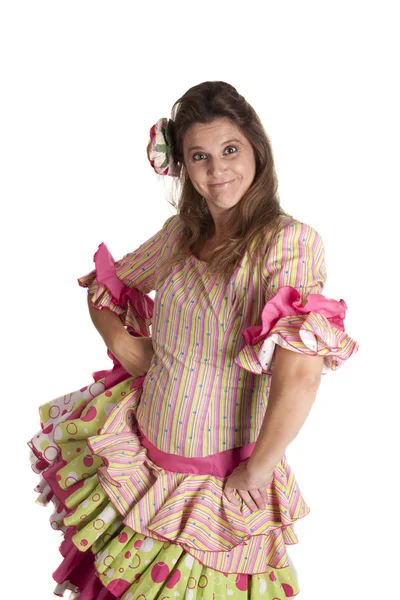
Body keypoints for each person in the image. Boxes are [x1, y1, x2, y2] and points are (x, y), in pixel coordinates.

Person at [28, 81, 359, 599]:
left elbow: (301, 371)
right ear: (181, 166)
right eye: (198, 156)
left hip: (218, 486)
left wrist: (259, 469)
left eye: (230, 150)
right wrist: (124, 344)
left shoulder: (287, 242)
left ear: (257, 149)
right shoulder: (182, 232)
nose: (217, 169)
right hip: (143, 465)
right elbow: (105, 287)